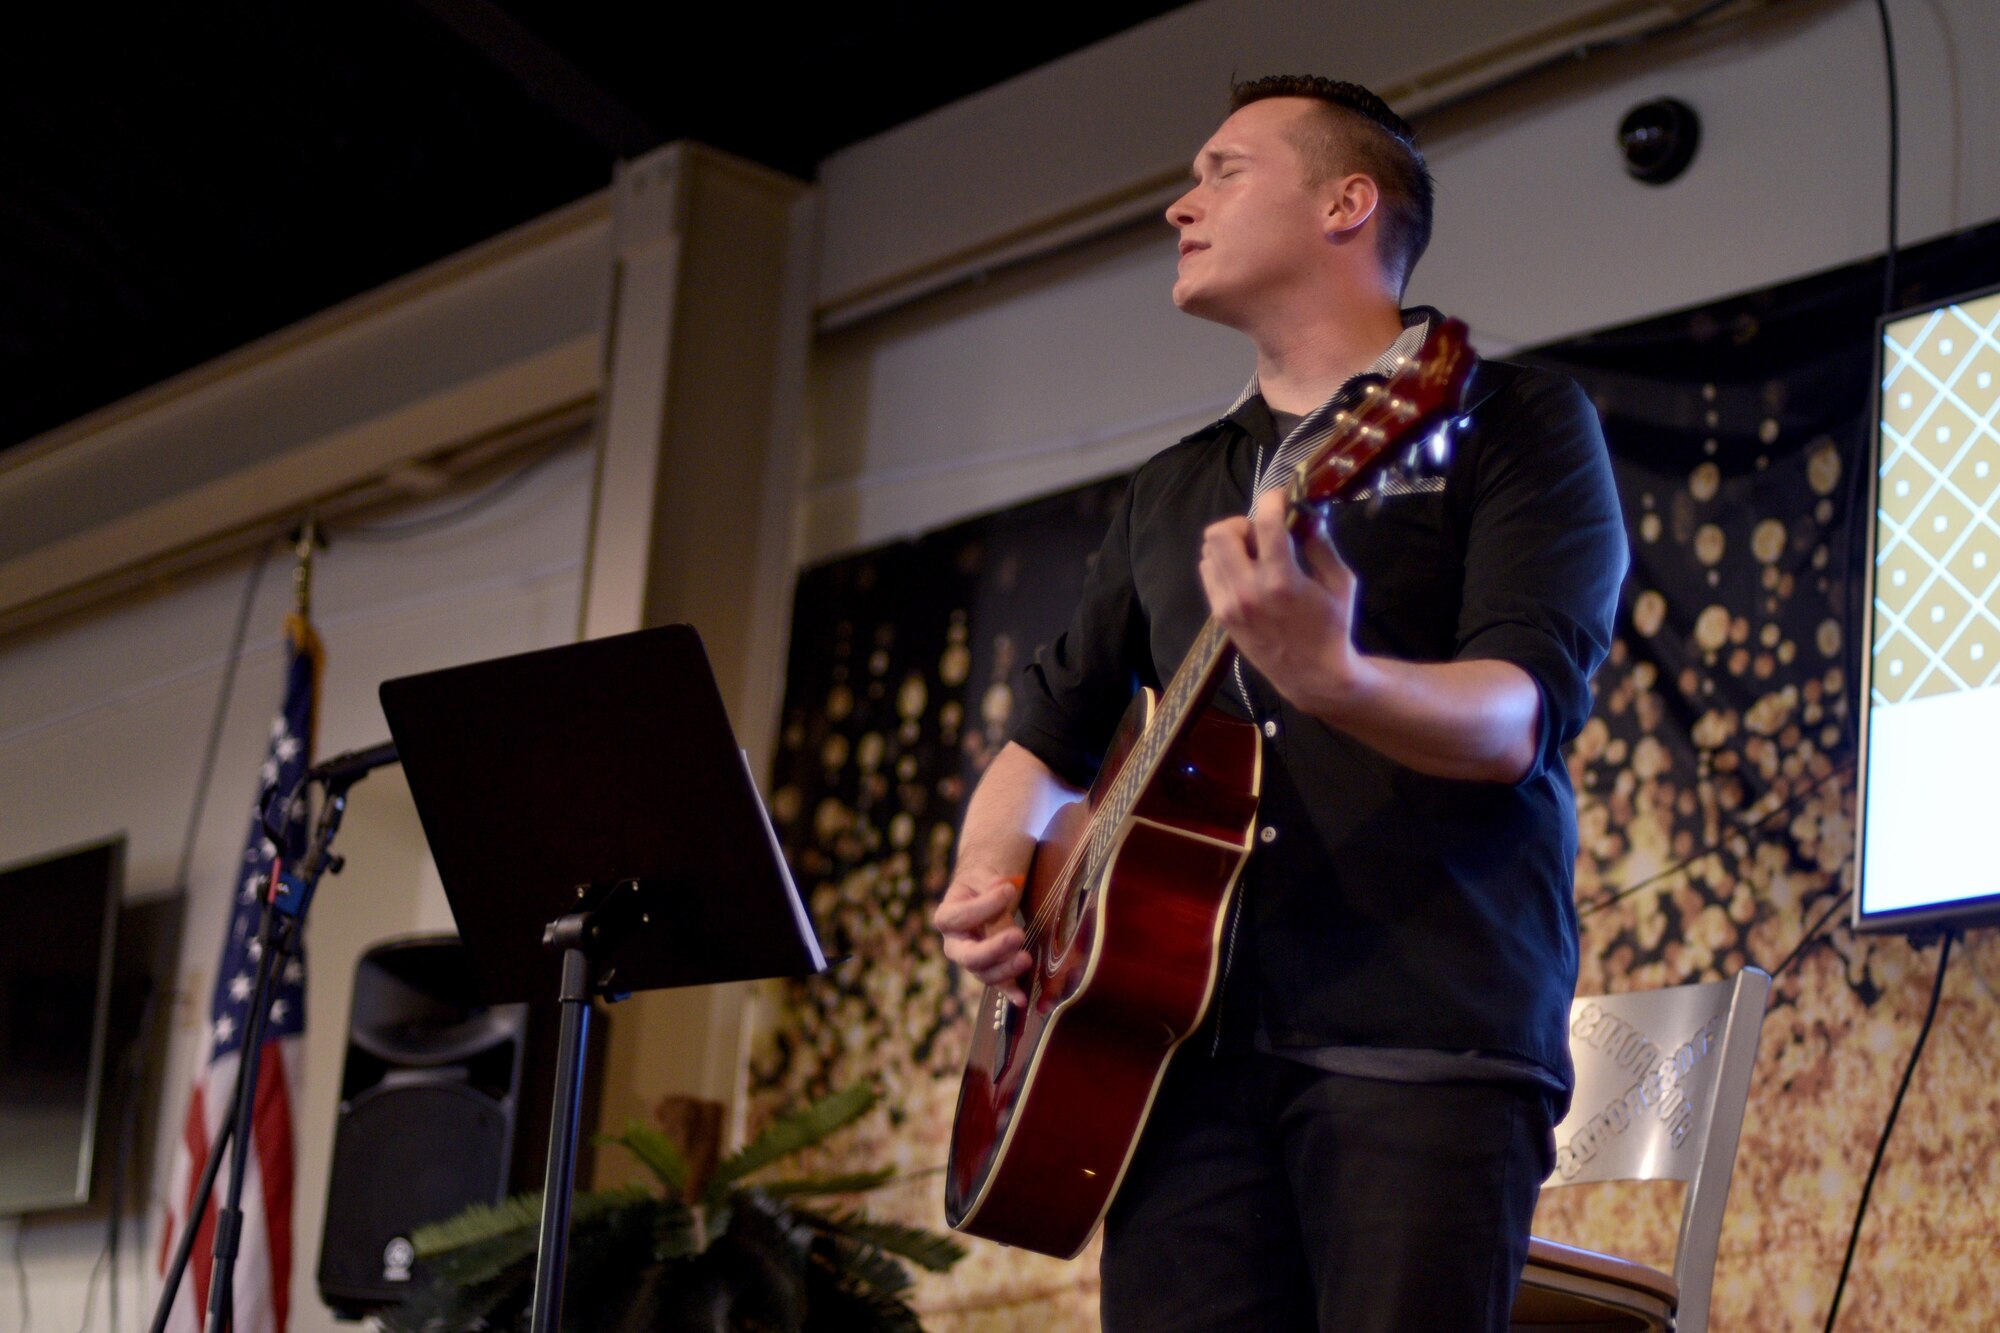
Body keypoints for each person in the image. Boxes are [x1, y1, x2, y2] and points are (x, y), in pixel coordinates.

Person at [932, 74, 1628, 1332]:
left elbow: (1515, 717)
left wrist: (1337, 679)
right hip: (1168, 1064)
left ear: (1344, 204)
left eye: (1220, 170)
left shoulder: (1506, 419)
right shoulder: (1171, 485)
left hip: (1420, 1038)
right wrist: (993, 882)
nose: (1175, 206)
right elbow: (1044, 738)